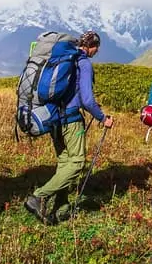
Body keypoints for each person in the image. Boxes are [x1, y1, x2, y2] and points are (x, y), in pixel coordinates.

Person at [24, 31, 113, 225]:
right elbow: (87, 100)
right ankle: (39, 196)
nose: (97, 52)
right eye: (97, 48)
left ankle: (60, 210)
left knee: (64, 163)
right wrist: (102, 117)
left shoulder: (64, 59)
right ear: (93, 46)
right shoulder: (84, 63)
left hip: (54, 118)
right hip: (72, 120)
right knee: (77, 162)